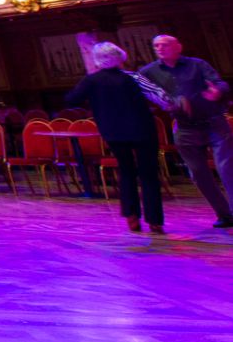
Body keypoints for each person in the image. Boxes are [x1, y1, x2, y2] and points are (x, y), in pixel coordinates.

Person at [66, 42, 165, 233]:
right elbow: (160, 97)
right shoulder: (133, 77)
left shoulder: (91, 80)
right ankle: (154, 220)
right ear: (121, 57)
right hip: (142, 130)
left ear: (97, 61)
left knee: (126, 172)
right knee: (149, 174)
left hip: (114, 132)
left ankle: (131, 217)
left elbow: (71, 100)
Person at [140, 34, 233, 228]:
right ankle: (224, 214)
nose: (159, 48)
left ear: (178, 47)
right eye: (156, 45)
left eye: (164, 45)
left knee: (226, 168)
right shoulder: (149, 71)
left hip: (213, 122)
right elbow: (142, 91)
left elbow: (221, 83)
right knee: (198, 173)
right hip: (185, 127)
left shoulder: (197, 65)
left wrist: (217, 91)